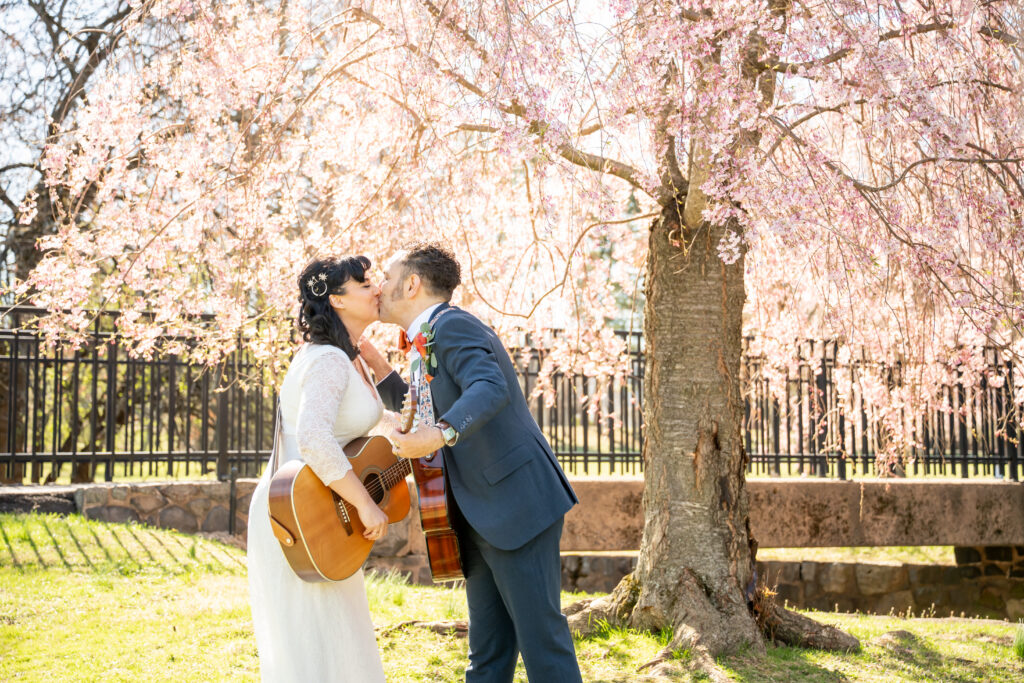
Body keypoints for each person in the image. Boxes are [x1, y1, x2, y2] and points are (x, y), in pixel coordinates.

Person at [360, 243, 583, 683]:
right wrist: (373, 361)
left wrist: (438, 434)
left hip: (515, 505)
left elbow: (488, 386)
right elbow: (420, 411)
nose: (379, 287)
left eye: (386, 277)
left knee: (543, 645)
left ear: (412, 284)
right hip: (475, 512)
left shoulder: (453, 325)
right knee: (487, 653)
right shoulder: (427, 337)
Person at [247, 255, 390, 683]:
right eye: (364, 284)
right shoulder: (327, 359)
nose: (377, 288)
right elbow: (313, 437)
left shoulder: (351, 358)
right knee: (315, 641)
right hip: (300, 511)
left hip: (323, 508)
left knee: (339, 637)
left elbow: (363, 426)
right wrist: (365, 503)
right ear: (338, 300)